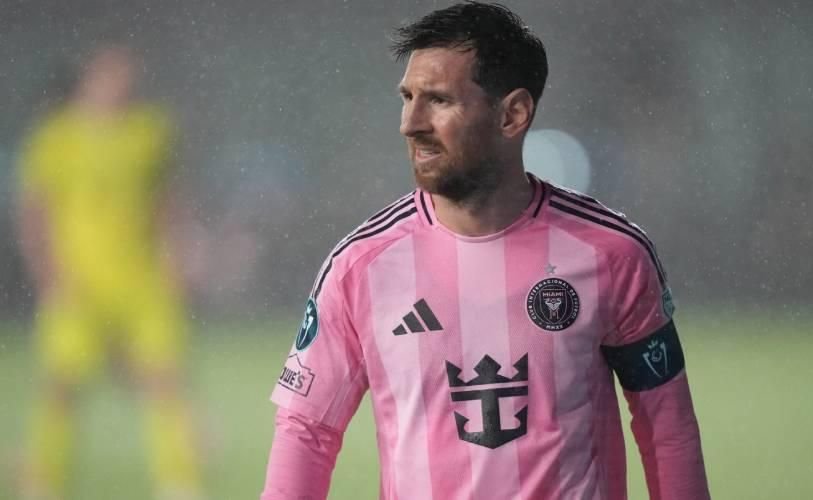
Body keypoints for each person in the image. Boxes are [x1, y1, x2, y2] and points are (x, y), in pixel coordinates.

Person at [261, 2, 710, 499]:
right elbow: (307, 430)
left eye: (438, 100)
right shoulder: (360, 267)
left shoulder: (612, 255)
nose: (411, 123)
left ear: (512, 114)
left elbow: (667, 427)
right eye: (407, 98)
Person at [16, 45, 204, 500]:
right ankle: (43, 481)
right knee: (62, 384)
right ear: (90, 79)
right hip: (79, 284)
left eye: (127, 78)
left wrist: (178, 257)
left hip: (143, 282)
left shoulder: (150, 132)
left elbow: (168, 203)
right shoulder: (56, 138)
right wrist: (47, 273)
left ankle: (179, 483)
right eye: (111, 77)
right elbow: (35, 210)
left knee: (165, 380)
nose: (120, 86)